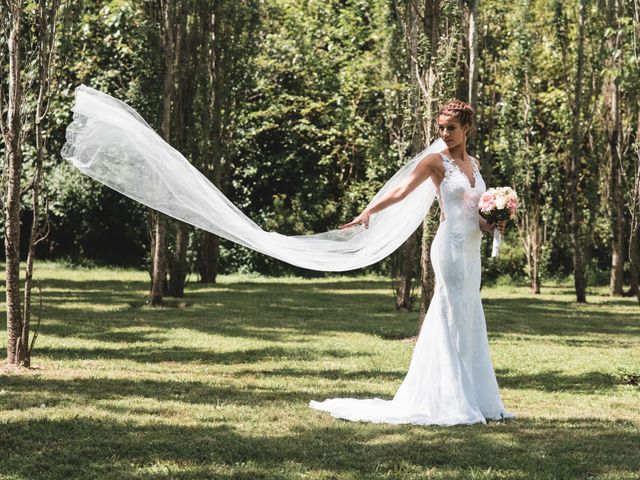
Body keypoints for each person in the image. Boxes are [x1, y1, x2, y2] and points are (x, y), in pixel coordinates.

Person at [309, 100, 515, 426]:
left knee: (469, 311)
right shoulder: (435, 162)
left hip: (471, 247)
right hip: (449, 247)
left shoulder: (474, 165)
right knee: (451, 310)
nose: (445, 133)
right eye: (441, 128)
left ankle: (475, 397)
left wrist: (493, 222)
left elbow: (474, 215)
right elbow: (403, 190)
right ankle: (450, 399)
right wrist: (369, 211)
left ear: (467, 130)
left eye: (451, 128)